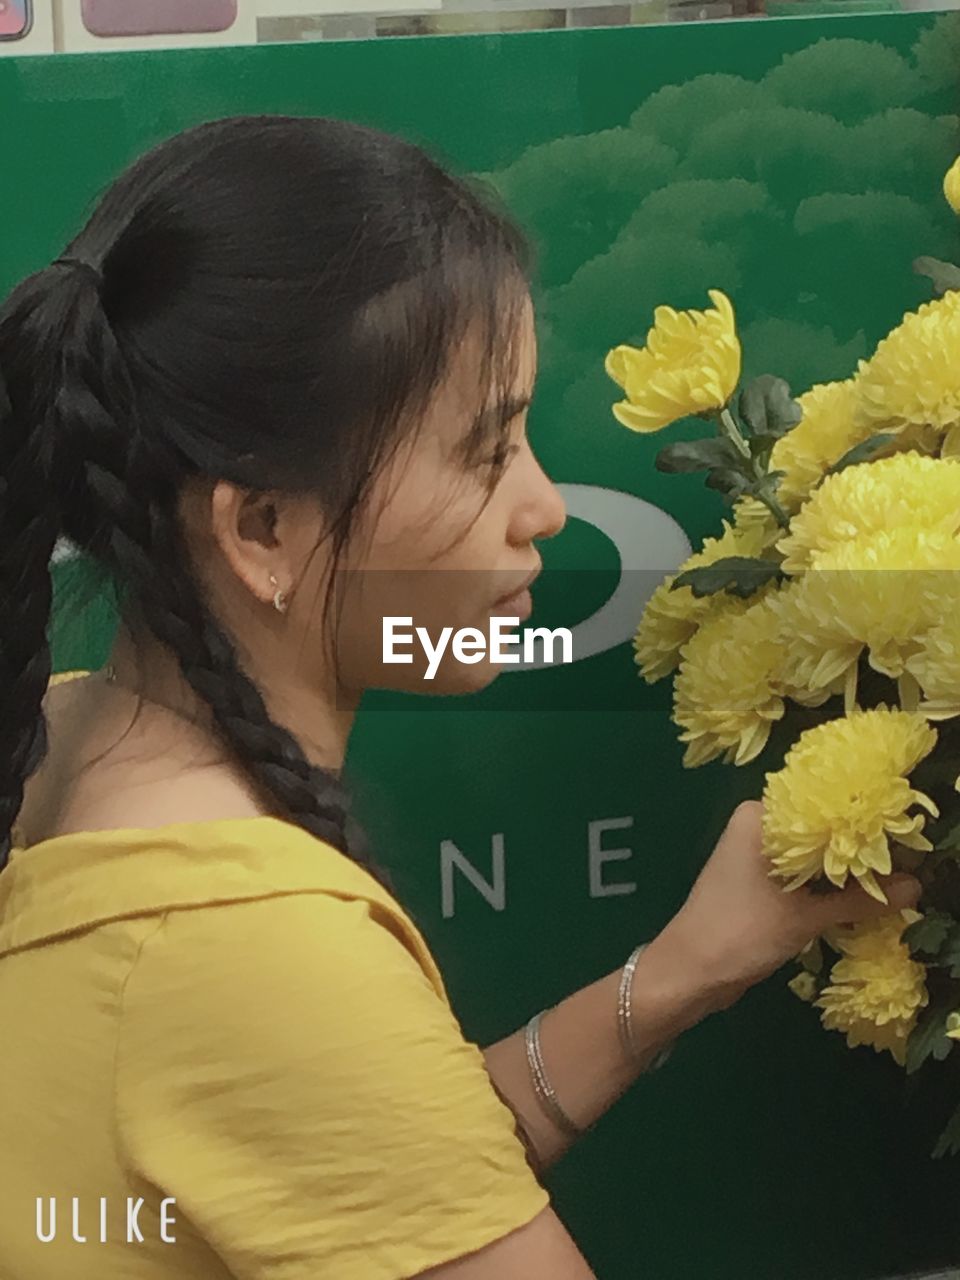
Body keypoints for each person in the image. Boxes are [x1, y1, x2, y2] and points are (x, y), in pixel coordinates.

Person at [0, 114, 920, 1280]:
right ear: (263, 527)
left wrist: (690, 965)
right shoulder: (241, 942)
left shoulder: (67, 741)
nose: (544, 507)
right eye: (488, 454)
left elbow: (355, 1171)